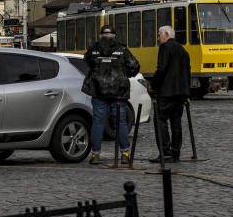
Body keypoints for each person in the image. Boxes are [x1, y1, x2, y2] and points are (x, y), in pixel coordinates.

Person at [82, 25, 140, 165]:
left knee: (98, 122)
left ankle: (95, 155)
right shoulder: (122, 49)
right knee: (120, 122)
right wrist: (123, 74)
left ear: (101, 35)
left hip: (98, 91)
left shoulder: (93, 50)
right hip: (119, 92)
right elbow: (134, 66)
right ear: (114, 35)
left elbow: (87, 62)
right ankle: (124, 154)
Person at [151, 25, 191, 163]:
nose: (158, 38)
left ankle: (165, 152)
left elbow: (161, 69)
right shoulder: (183, 51)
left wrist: (154, 85)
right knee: (176, 123)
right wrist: (186, 94)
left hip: (166, 92)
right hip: (180, 94)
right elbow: (187, 73)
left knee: (160, 121)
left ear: (166, 34)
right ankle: (176, 153)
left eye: (159, 35)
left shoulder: (165, 47)